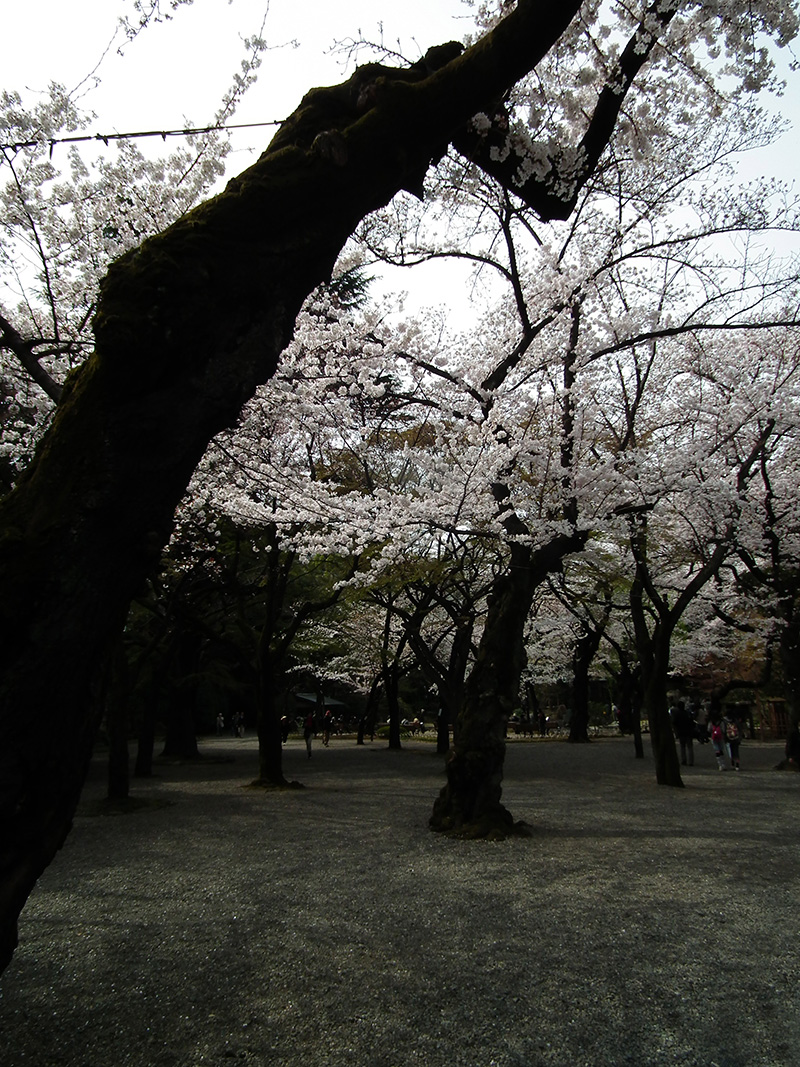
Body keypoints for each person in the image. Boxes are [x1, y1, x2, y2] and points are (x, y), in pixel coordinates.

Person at [671, 700, 696, 767]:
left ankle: (683, 760)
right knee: (690, 747)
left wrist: (676, 731)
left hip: (681, 732)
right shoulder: (687, 713)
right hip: (689, 732)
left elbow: (674, 722)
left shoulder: (677, 714)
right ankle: (691, 761)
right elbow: (692, 722)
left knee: (682, 747)